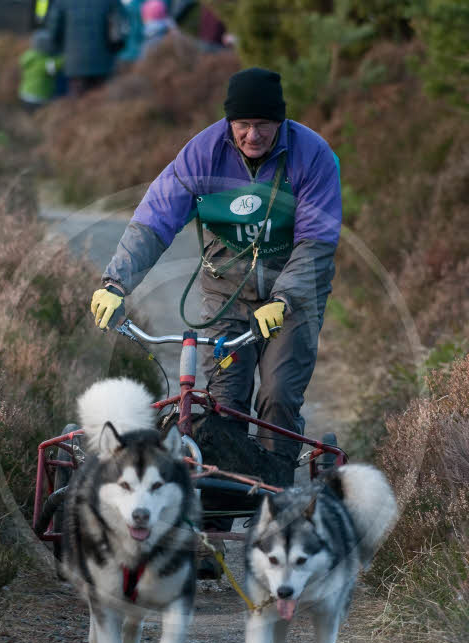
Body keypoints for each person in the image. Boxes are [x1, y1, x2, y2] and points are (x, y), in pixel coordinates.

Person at [91, 67, 341, 571]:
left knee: (276, 398)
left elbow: (316, 242)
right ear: (229, 122)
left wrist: (285, 298)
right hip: (225, 293)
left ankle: (274, 530)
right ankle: (212, 538)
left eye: (264, 126)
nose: (252, 135)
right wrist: (115, 283)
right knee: (225, 404)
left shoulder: (313, 157)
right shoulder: (203, 153)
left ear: (281, 122)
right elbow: (154, 219)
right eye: (243, 125)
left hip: (293, 297)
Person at [46, 0, 124, 97]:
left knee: (77, 100)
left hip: (74, 62)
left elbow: (54, 30)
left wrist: (61, 49)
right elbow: (121, 23)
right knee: (101, 99)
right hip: (103, 61)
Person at [18, 30, 65, 111]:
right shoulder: (44, 63)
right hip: (37, 99)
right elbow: (56, 65)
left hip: (24, 95)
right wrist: (67, 56)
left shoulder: (29, 56)